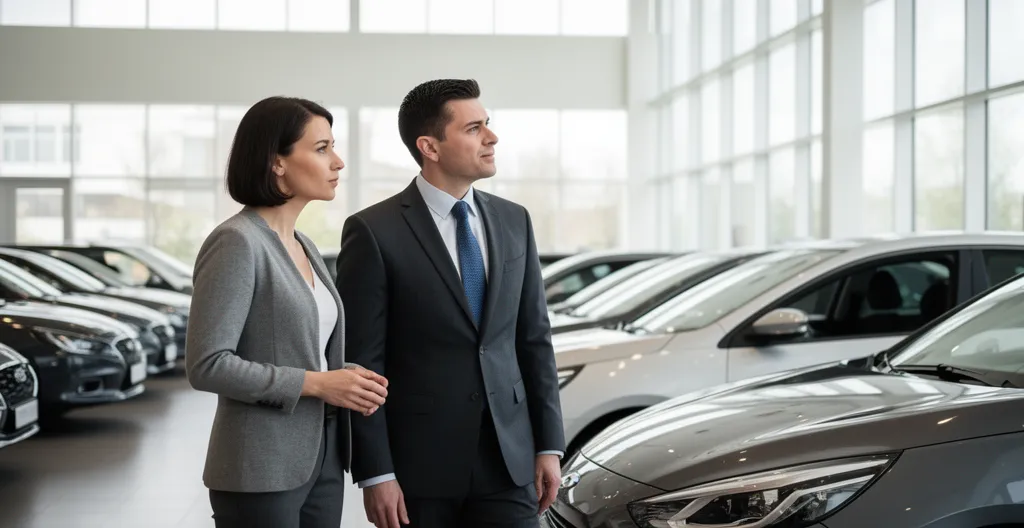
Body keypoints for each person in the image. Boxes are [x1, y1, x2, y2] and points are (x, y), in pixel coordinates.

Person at [336, 79, 565, 528]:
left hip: (510, 462)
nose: (492, 138)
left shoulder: (514, 220)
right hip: (418, 472)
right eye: (474, 128)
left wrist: (548, 445)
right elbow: (362, 363)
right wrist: (376, 473)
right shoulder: (374, 231)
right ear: (430, 146)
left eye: (488, 125)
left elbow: (533, 339)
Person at [185, 96, 390, 528]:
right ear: (277, 162)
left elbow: (299, 347)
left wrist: (346, 377)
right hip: (259, 469)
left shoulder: (304, 245)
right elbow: (207, 365)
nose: (337, 162)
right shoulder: (237, 242)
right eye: (321, 149)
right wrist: (318, 383)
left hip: (323, 457)